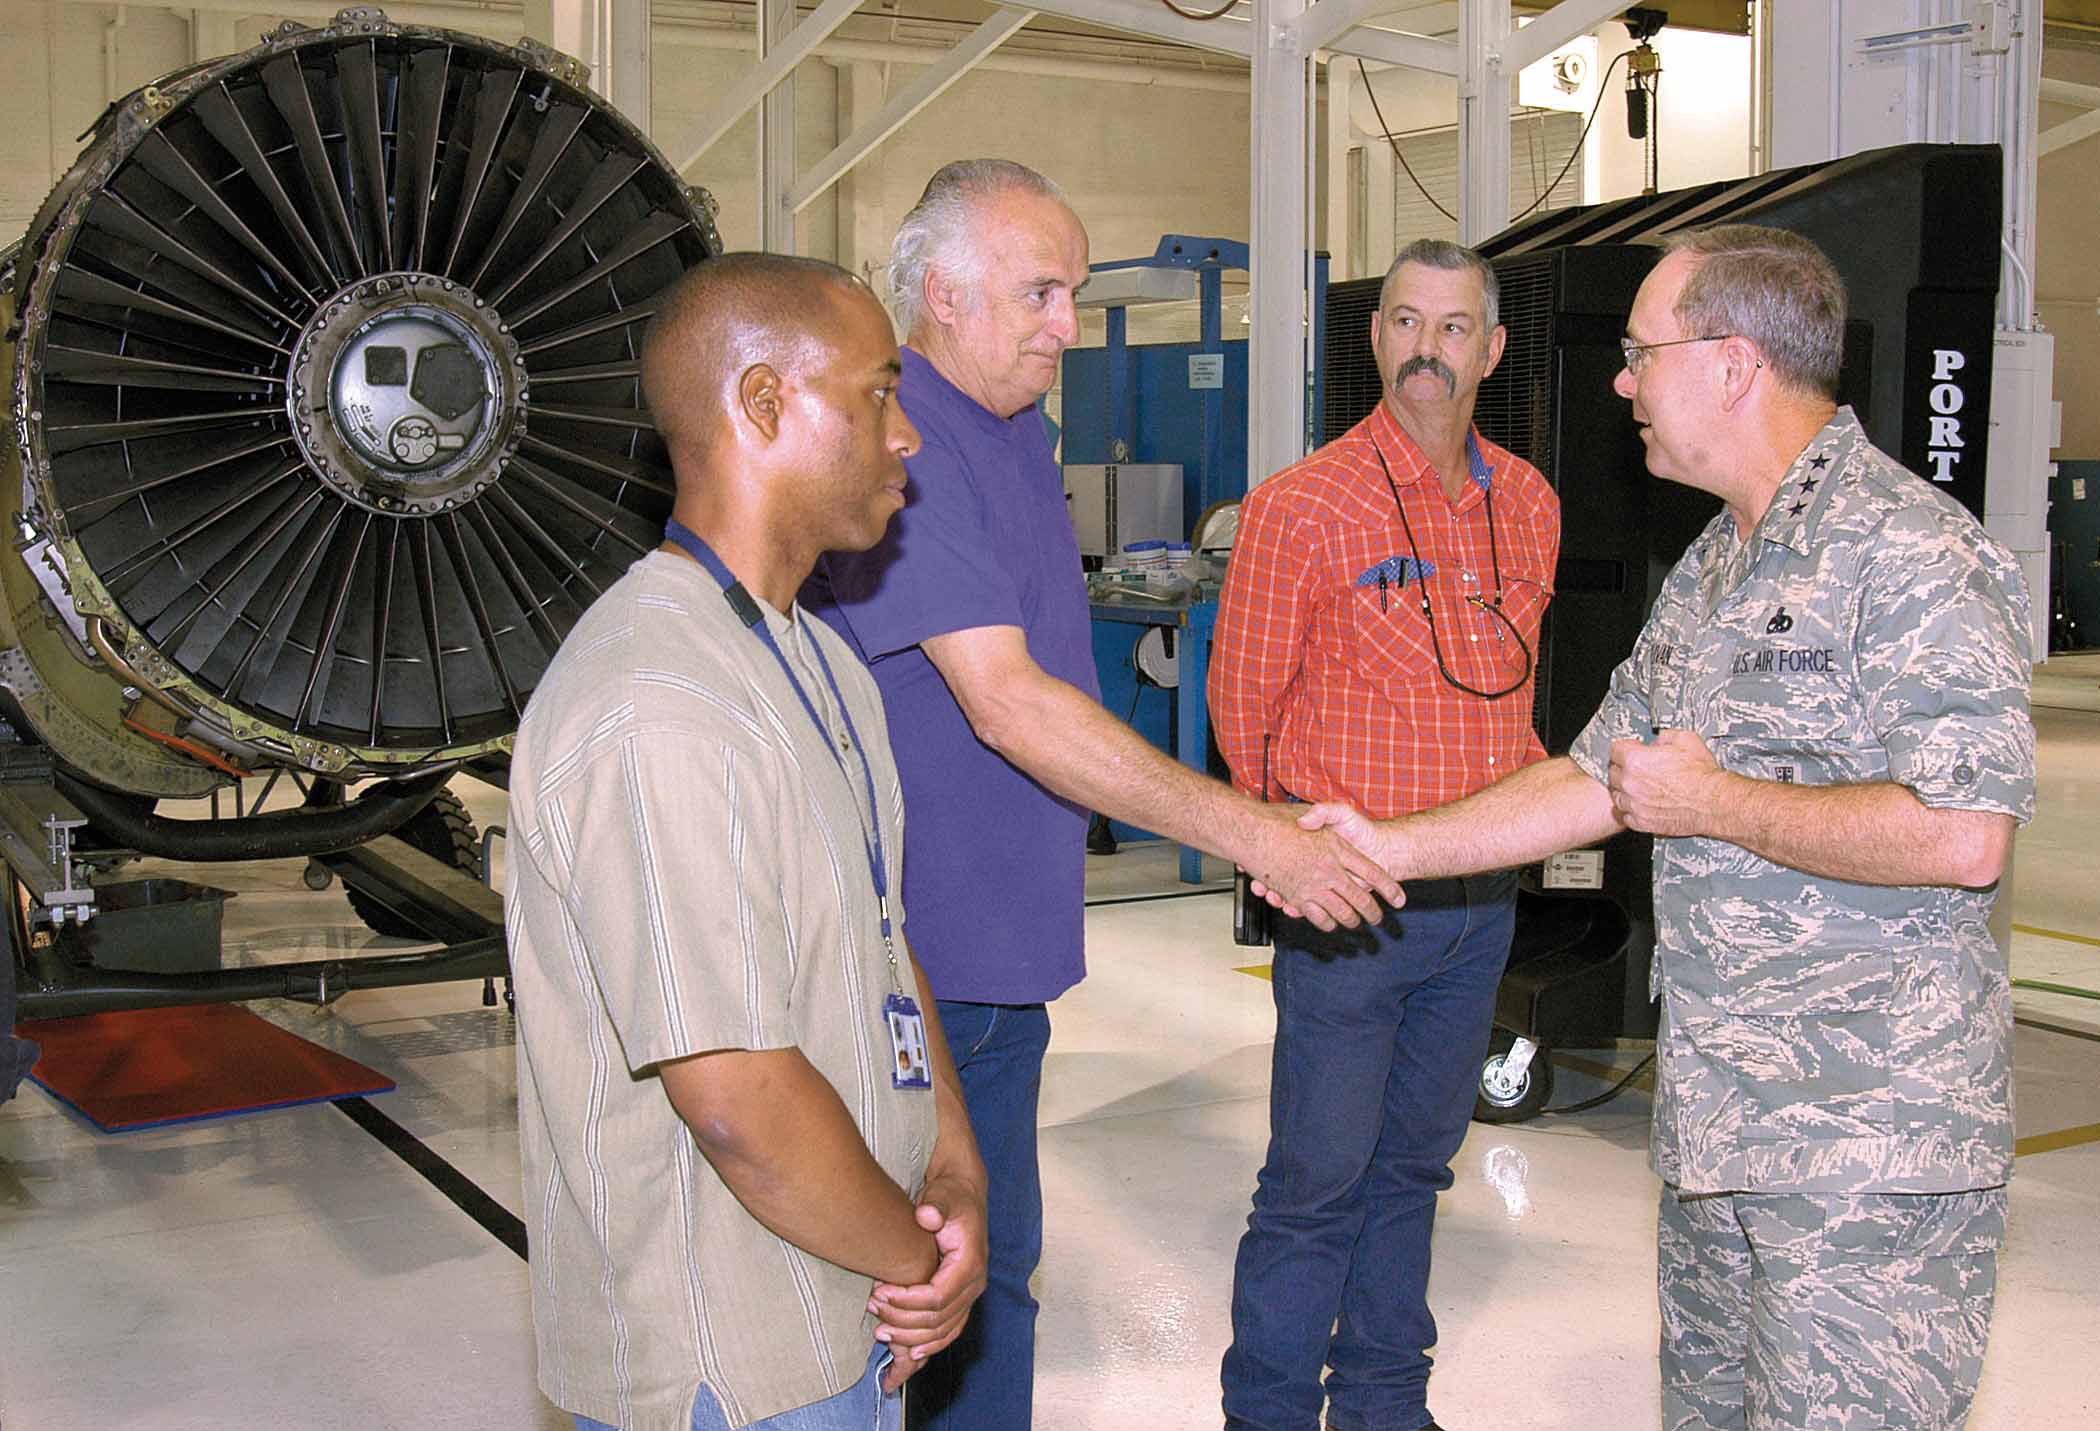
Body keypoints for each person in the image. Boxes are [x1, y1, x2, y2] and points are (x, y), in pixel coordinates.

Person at [1284, 224, 2034, 1431]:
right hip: (1721, 1138)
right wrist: (1387, 846)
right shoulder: (1717, 565)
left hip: (1867, 1158)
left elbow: (1965, 835)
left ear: (1733, 365)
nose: (1623, 384)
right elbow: (1598, 776)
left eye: (1642, 355)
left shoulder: (1912, 553)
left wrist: (1716, 802)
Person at [808, 159, 1401, 1431]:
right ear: (945, 294)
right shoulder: (907, 441)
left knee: (992, 1280)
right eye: (1041, 293)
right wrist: (1257, 836)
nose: (1068, 327)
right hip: (920, 968)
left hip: (997, 951)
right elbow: (1008, 703)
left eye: (1072, 293)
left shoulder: (1015, 430)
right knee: (919, 1293)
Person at [506, 253, 988, 1431]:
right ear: (764, 403)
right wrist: (919, 1263)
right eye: (879, 392)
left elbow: (883, 942)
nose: (907, 435)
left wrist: (954, 1175)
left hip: (852, 1304)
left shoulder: (818, 660)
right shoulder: (658, 699)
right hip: (732, 1358)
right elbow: (737, 1104)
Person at [1209, 239, 1562, 1431]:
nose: (1427, 349)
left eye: (1454, 327)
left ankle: (1382, 1406)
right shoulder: (1300, 506)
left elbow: (1516, 701)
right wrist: (1288, 862)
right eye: (1406, 321)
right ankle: (1266, 1413)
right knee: (1316, 1184)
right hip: (1349, 910)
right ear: (1376, 338)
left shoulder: (1532, 505)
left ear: (1492, 350)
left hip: (1478, 908)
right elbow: (1244, 715)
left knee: (1413, 1171)